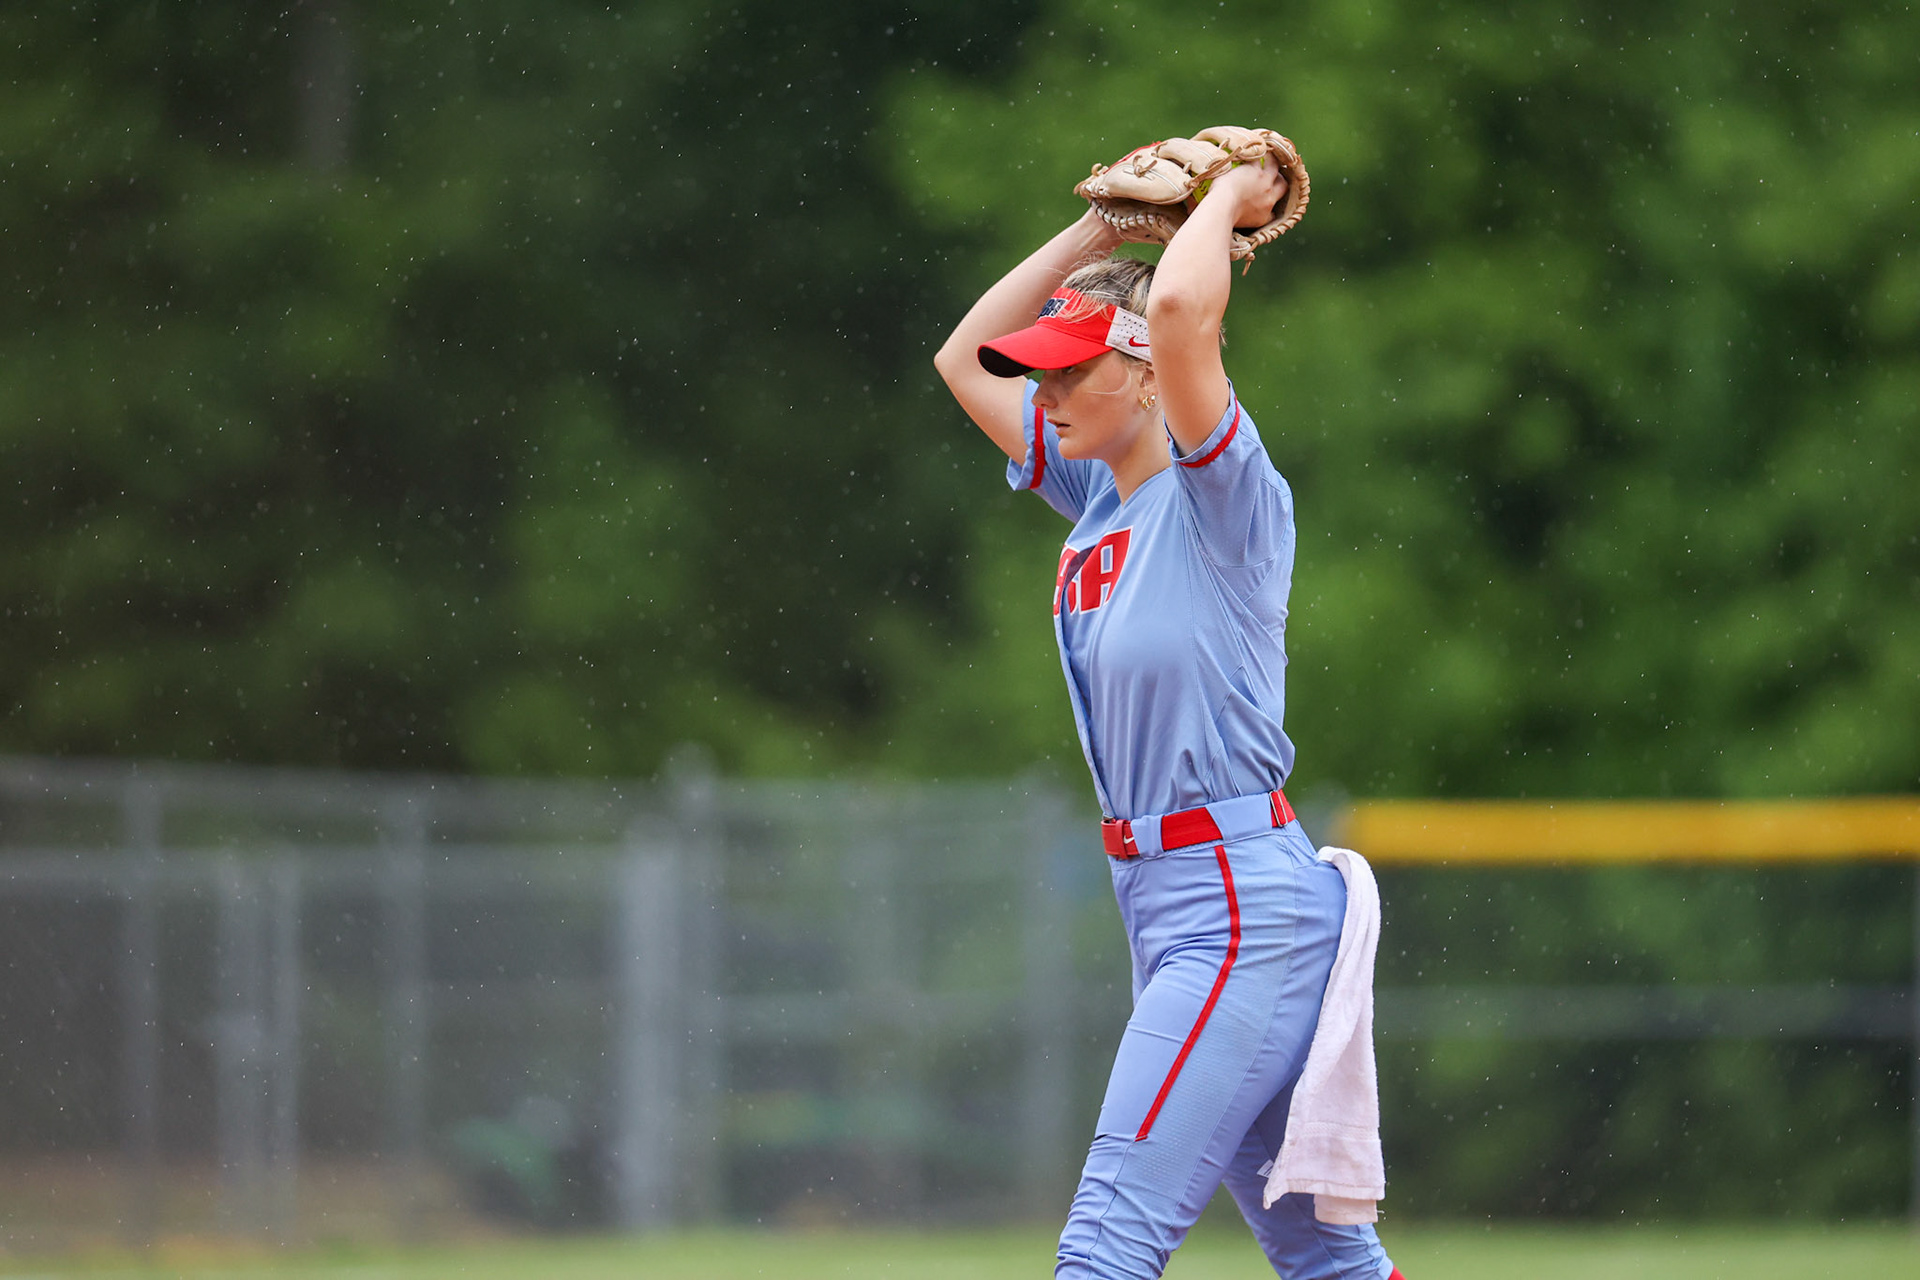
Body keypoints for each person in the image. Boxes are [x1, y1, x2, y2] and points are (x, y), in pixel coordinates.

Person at [933, 160, 1405, 1280]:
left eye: (1072, 370)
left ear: (1146, 379)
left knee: (1104, 1242)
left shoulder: (1223, 499)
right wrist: (1096, 228)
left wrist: (1226, 194)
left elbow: (1187, 311)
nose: (1045, 392)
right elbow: (964, 357)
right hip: (1177, 907)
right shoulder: (1099, 491)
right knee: (1323, 1257)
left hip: (1237, 902)